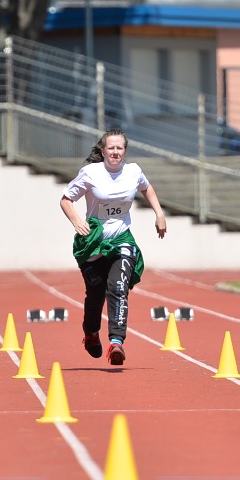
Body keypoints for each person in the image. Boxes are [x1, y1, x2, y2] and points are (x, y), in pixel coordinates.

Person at [60, 129, 167, 366]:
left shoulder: (133, 171)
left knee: (117, 288)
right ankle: (90, 334)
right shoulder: (90, 173)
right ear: (103, 150)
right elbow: (66, 199)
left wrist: (159, 214)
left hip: (121, 239)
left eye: (120, 148)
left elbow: (146, 188)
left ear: (125, 151)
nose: (115, 152)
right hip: (94, 242)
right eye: (111, 148)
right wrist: (78, 222)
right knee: (95, 296)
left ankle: (117, 342)